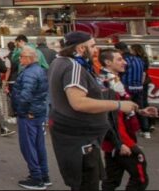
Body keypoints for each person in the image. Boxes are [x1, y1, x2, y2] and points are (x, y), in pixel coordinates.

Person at [48, 31, 139, 191]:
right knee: (87, 183)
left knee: (83, 182)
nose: (96, 50)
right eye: (92, 46)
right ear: (81, 48)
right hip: (80, 140)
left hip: (75, 136)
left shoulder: (60, 62)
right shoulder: (73, 67)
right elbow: (78, 103)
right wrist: (117, 105)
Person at [97, 49, 158, 191]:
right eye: (119, 59)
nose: (124, 62)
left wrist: (140, 111)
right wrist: (119, 144)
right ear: (108, 62)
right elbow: (105, 117)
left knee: (111, 181)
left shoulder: (114, 79)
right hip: (120, 140)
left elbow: (122, 106)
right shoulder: (105, 83)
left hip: (116, 140)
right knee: (140, 178)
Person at [11, 47, 51, 190]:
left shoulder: (29, 73)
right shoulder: (38, 70)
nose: (20, 59)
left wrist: (21, 111)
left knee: (29, 146)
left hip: (29, 114)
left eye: (22, 56)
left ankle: (36, 177)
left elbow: (25, 95)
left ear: (29, 58)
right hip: (37, 112)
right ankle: (43, 175)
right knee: (39, 145)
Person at [115, 42, 150, 139]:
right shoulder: (139, 59)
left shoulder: (124, 60)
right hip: (138, 87)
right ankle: (146, 130)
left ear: (119, 50)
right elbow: (143, 73)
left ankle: (127, 130)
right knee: (140, 108)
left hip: (127, 87)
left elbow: (121, 73)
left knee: (125, 109)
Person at [130, 44, 154, 133]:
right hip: (145, 82)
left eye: (131, 50)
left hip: (140, 82)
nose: (130, 51)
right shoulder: (145, 59)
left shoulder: (137, 60)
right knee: (144, 102)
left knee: (141, 104)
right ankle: (150, 123)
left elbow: (143, 74)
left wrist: (140, 83)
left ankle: (145, 126)